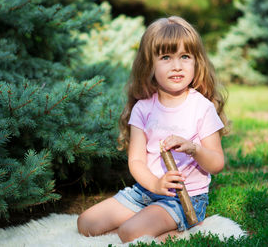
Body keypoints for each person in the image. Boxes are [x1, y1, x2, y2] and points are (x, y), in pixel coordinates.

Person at [77, 16, 229, 243]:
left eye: (185, 57)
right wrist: (155, 184)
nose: (177, 66)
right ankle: (149, 220)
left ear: (196, 62)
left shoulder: (201, 108)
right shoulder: (143, 108)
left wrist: (194, 149)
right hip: (146, 192)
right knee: (86, 224)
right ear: (150, 65)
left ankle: (182, 228)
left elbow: (217, 163)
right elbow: (136, 161)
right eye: (166, 57)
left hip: (184, 198)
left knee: (129, 233)